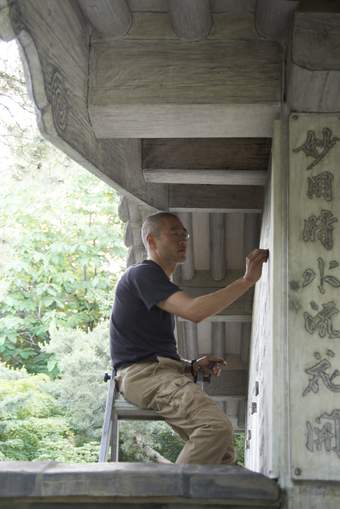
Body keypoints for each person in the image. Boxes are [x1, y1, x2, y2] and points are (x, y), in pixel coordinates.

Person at [110, 212, 268, 464]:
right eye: (175, 233)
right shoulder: (143, 274)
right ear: (151, 241)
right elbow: (195, 311)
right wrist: (247, 280)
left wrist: (190, 366)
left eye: (185, 234)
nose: (183, 239)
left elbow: (147, 348)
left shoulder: (155, 285)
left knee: (223, 455)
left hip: (155, 373)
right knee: (215, 428)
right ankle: (169, 500)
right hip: (144, 376)